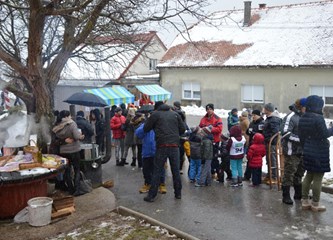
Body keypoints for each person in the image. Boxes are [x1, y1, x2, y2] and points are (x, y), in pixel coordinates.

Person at [143, 101, 185, 202]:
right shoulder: (175, 114)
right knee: (175, 171)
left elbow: (146, 128)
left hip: (161, 145)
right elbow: (182, 129)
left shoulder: (155, 115)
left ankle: (151, 196)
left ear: (157, 108)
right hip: (174, 146)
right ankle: (178, 194)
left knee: (157, 170)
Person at [299, 95, 333, 212]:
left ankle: (304, 201)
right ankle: (315, 203)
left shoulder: (303, 117)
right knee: (318, 177)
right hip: (319, 151)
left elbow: (301, 136)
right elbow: (324, 134)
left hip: (308, 149)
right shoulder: (318, 118)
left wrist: (306, 147)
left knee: (308, 175)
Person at [52, 110, 84, 196]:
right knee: (77, 169)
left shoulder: (57, 125)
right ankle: (77, 189)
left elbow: (55, 139)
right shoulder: (71, 123)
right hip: (74, 150)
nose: (71, 117)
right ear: (66, 116)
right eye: (69, 115)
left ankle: (70, 189)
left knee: (67, 171)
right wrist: (80, 136)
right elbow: (76, 136)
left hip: (63, 151)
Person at [280, 98, 306, 205]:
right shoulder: (290, 117)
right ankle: (285, 196)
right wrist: (300, 139)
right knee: (289, 173)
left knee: (299, 173)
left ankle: (298, 194)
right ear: (301, 107)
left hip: (302, 151)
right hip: (291, 151)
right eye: (306, 107)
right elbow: (285, 133)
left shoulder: (305, 117)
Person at [135, 116, 167, 194]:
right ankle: (147, 184)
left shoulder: (161, 125)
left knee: (160, 169)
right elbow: (138, 133)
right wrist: (146, 126)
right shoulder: (145, 125)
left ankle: (161, 184)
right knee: (146, 170)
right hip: (147, 152)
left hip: (159, 151)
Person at [199, 103, 223, 180]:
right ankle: (210, 173)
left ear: (213, 110)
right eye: (208, 109)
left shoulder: (217, 118)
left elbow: (219, 129)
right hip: (205, 141)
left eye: (210, 109)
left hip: (214, 141)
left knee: (214, 158)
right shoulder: (203, 118)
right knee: (206, 158)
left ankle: (217, 173)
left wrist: (209, 129)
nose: (209, 111)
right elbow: (200, 127)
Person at [262, 103, 281, 184]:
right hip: (268, 142)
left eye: (265, 108)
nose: (263, 109)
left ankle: (274, 177)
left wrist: (268, 139)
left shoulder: (274, 119)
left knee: (272, 159)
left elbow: (275, 132)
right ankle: (270, 175)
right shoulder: (270, 118)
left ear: (268, 110)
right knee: (268, 160)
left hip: (272, 143)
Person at [244, 109, 264, 181]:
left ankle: (257, 178)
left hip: (258, 145)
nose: (253, 117)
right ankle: (247, 175)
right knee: (249, 159)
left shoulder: (262, 123)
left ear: (258, 115)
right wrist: (248, 131)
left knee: (256, 162)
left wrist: (253, 132)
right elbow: (248, 131)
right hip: (251, 144)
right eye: (252, 115)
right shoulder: (252, 122)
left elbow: (261, 134)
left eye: (254, 115)